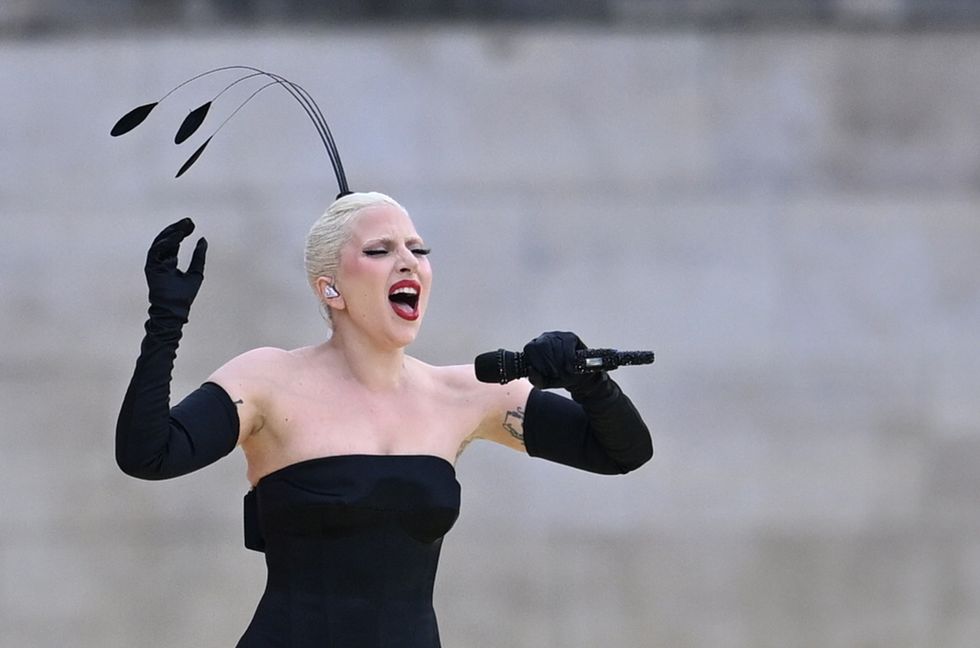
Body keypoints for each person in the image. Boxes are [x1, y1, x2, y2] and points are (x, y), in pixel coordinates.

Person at [116, 191, 653, 648]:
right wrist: (166, 318)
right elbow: (148, 453)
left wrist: (589, 381)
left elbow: (622, 452)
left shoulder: (468, 392)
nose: (408, 262)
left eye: (418, 250)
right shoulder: (267, 381)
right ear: (330, 288)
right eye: (379, 250)